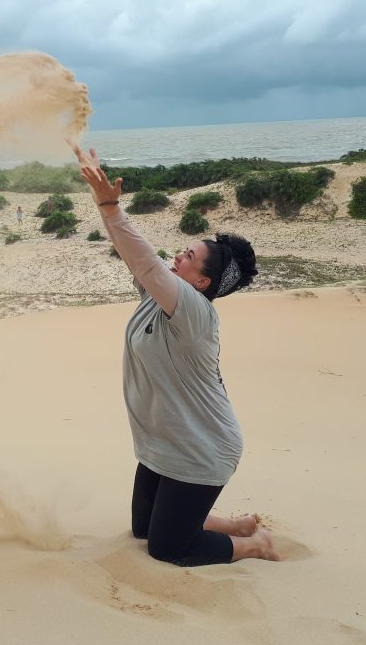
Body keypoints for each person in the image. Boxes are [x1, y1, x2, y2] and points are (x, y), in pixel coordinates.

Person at [74, 145, 280, 566]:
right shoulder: (158, 294)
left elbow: (145, 262)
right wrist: (103, 209)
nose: (178, 256)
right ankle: (228, 523)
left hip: (202, 448)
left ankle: (254, 544)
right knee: (143, 530)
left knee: (169, 548)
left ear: (201, 282)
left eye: (188, 257)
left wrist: (111, 206)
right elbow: (135, 258)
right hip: (165, 441)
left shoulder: (194, 312)